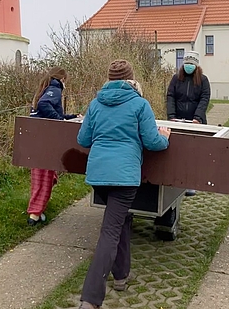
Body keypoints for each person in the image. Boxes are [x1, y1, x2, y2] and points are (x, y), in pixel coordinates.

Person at [77, 60, 171, 309]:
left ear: (108, 79)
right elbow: (152, 142)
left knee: (120, 220)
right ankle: (91, 298)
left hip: (98, 175)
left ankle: (121, 276)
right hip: (125, 177)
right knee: (110, 230)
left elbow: (83, 138)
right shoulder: (140, 104)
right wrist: (165, 137)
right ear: (131, 79)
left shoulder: (96, 104)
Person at [27, 67, 79, 226]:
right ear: (62, 79)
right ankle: (35, 214)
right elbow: (45, 106)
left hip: (36, 140)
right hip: (47, 141)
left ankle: (37, 210)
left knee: (40, 177)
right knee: (46, 177)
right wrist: (60, 121)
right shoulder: (55, 89)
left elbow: (44, 109)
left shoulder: (43, 89)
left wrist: (70, 117)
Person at [166, 50, 210, 196]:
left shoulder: (203, 80)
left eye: (191, 64)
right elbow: (170, 96)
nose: (188, 66)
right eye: (186, 63)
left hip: (195, 121)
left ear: (196, 66)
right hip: (177, 120)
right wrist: (171, 116)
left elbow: (204, 99)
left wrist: (198, 117)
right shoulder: (176, 79)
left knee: (194, 153)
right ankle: (177, 181)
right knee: (178, 152)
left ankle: (191, 184)